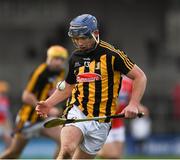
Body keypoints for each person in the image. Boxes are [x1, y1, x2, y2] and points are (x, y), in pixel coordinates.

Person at [36, 14, 147, 159]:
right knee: (67, 150)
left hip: (102, 121)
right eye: (76, 39)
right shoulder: (75, 57)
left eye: (83, 38)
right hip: (77, 111)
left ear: (95, 34)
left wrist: (133, 104)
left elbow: (140, 77)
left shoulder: (113, 55)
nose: (79, 43)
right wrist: (49, 103)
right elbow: (69, 86)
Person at [0, 45, 68, 159]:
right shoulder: (40, 73)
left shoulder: (60, 72)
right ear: (49, 58)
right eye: (56, 58)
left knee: (65, 142)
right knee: (14, 152)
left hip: (44, 119)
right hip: (28, 119)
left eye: (61, 59)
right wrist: (48, 108)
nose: (58, 62)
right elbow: (26, 96)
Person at [98, 76, 149, 159]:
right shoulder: (105, 78)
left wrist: (139, 107)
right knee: (111, 155)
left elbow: (131, 100)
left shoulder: (129, 82)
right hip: (104, 123)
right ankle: (94, 150)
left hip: (118, 125)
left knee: (117, 157)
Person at [0, 81, 12, 148]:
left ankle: (7, 155)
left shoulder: (5, 99)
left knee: (8, 139)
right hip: (2, 122)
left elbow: (6, 113)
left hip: (4, 122)